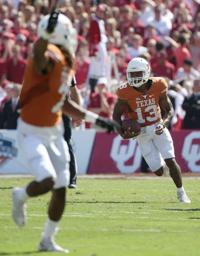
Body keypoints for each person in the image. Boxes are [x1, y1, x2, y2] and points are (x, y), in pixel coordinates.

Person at [12, 11, 117, 254]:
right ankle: (20, 195)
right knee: (48, 180)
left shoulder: (67, 62)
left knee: (61, 186)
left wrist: (97, 119)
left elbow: (65, 103)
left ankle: (47, 239)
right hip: (31, 130)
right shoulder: (47, 54)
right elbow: (39, 57)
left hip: (55, 129)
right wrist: (43, 38)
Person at [113, 57, 191, 204]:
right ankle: (163, 166)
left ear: (147, 71)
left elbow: (169, 110)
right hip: (141, 133)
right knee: (158, 171)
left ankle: (181, 193)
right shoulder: (125, 91)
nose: (135, 77)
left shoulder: (159, 84)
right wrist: (122, 133)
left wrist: (164, 123)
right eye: (132, 74)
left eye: (138, 73)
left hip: (157, 126)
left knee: (171, 160)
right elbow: (116, 116)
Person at [63, 76, 80, 189]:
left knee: (66, 142)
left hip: (62, 111)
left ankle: (71, 178)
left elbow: (74, 92)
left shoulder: (66, 71)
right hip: (44, 112)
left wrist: (77, 113)